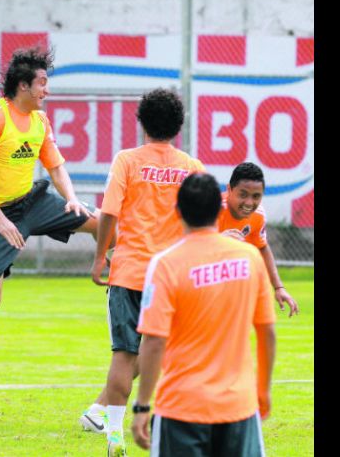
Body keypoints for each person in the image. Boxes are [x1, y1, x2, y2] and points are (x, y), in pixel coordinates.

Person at [0, 46, 102, 419]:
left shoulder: (41, 122)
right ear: (23, 86)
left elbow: (55, 167)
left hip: (31, 203)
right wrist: (1, 219)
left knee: (102, 222)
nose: (47, 91)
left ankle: (120, 273)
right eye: (42, 83)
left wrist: (72, 199)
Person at [80, 88, 205, 456]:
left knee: (124, 354)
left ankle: (114, 432)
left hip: (129, 272)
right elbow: (201, 220)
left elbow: (109, 213)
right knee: (169, 352)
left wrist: (100, 256)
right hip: (172, 276)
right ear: (178, 126)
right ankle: (172, 423)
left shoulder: (127, 160)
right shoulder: (192, 167)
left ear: (142, 122)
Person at [130, 172, 276, 456]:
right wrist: (263, 391)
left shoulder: (165, 264)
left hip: (181, 408)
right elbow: (267, 332)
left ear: (178, 211)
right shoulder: (249, 259)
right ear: (219, 208)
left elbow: (155, 341)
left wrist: (142, 405)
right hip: (239, 406)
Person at [219, 162, 299, 317]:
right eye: (243, 194)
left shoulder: (258, 215)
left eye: (256, 196)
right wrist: (216, 241)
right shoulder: (213, 210)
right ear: (229, 190)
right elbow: (189, 245)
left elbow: (262, 247)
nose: (249, 203)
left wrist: (278, 287)